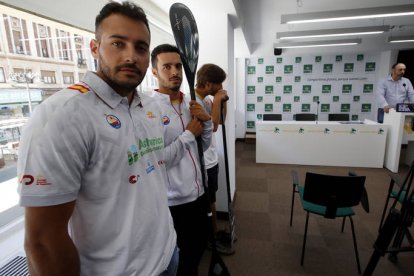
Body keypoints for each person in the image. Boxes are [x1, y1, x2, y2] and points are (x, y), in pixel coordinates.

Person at [17, 2, 179, 275]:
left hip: (168, 254)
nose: (131, 56)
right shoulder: (61, 115)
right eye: (118, 43)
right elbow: (43, 241)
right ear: (95, 48)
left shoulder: (150, 107)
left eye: (140, 47)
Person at [150, 44, 213, 276]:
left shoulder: (190, 104)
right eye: (166, 66)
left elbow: (202, 147)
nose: (174, 72)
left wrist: (206, 123)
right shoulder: (149, 110)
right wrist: (188, 135)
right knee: (177, 260)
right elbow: (158, 161)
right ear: (155, 72)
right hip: (173, 203)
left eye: (177, 66)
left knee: (196, 252)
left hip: (199, 194)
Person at [195, 64, 235, 255]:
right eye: (218, 84)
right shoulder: (195, 101)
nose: (220, 87)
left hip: (212, 159)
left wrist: (221, 101)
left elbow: (222, 119)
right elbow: (214, 127)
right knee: (208, 201)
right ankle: (211, 238)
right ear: (209, 83)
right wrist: (218, 98)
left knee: (212, 198)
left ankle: (215, 232)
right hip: (203, 161)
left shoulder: (209, 100)